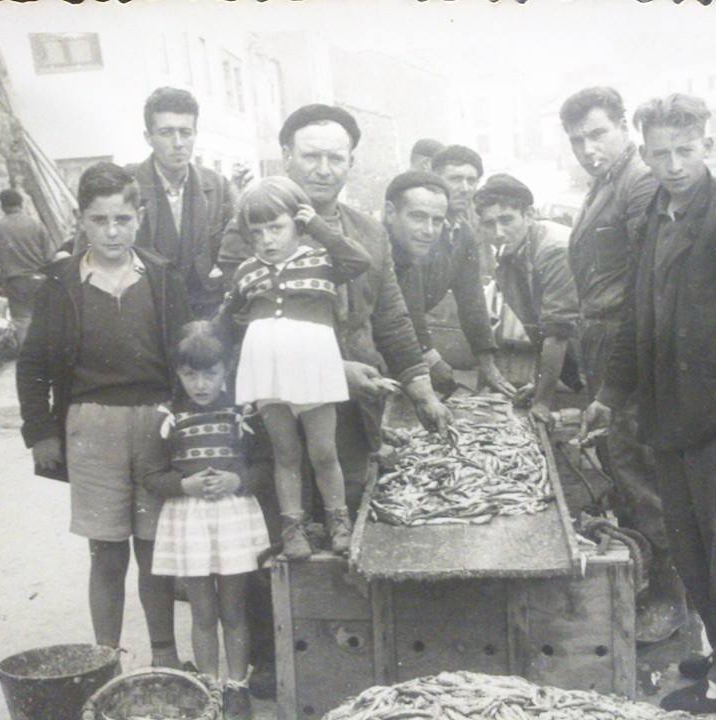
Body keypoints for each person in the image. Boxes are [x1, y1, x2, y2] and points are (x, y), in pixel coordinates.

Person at [218, 104, 451, 699]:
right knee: (281, 528)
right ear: (286, 157)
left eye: (335, 157)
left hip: (353, 412)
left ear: (351, 162)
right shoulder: (253, 224)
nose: (323, 168)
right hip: (279, 398)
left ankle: (357, 669)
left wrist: (421, 388)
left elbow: (392, 317)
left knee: (350, 522)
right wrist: (332, 365)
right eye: (310, 156)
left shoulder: (366, 233)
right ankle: (276, 663)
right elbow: (241, 323)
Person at [581, 94, 716, 713]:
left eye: (685, 151)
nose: (673, 165)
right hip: (667, 412)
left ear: (707, 146)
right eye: (661, 153)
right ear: (644, 152)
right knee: (690, 549)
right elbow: (637, 319)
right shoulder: (654, 215)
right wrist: (609, 395)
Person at [16, 162, 191, 667]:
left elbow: (186, 355)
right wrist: (41, 432)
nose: (112, 231)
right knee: (107, 551)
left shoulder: (161, 276)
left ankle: (164, 658)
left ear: (140, 217)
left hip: (156, 425)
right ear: (81, 220)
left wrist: (186, 423)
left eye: (122, 219)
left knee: (154, 550)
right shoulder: (60, 282)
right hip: (90, 426)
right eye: (99, 220)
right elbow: (32, 365)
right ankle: (105, 659)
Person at [559, 86, 683, 644]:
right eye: (577, 140)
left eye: (597, 134)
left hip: (624, 341)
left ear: (624, 129)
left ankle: (670, 598)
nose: (588, 149)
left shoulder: (639, 183)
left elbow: (648, 278)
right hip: (601, 337)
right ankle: (648, 577)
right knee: (621, 464)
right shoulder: (604, 184)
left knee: (639, 470)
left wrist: (624, 369)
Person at [221, 177, 372, 560]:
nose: (267, 239)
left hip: (313, 366)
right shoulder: (246, 271)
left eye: (276, 227)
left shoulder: (321, 261)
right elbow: (225, 318)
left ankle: (338, 521)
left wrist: (318, 226)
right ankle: (293, 528)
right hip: (267, 371)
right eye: (257, 232)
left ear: (297, 222)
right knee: (285, 453)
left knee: (323, 451)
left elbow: (360, 261)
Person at [142, 321, 269, 720]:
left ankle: (237, 686)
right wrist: (185, 485)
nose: (200, 384)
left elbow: (265, 465)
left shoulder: (241, 412)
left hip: (232, 516)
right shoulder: (168, 417)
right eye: (190, 374)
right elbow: (150, 476)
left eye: (210, 374)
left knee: (233, 609)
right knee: (202, 613)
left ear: (226, 369)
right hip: (189, 519)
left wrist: (237, 480)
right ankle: (210, 688)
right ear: (179, 373)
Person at [384, 170, 515, 398]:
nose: (464, 188)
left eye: (471, 180)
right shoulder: (388, 244)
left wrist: (487, 363)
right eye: (455, 178)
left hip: (400, 340)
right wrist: (428, 359)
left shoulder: (461, 233)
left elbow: (472, 300)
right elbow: (406, 310)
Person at [472, 173, 581, 425]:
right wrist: (538, 384)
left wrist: (542, 402)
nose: (498, 232)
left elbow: (557, 332)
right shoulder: (511, 253)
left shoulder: (554, 250)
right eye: (489, 224)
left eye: (506, 220)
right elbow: (537, 329)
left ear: (529, 215)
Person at [131, 87, 238, 319]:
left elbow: (236, 252)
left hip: (206, 309)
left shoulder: (218, 186)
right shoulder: (128, 184)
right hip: (147, 310)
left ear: (195, 134)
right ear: (148, 137)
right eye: (166, 133)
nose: (178, 143)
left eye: (185, 132)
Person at [0, 188, 57, 345]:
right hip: (40, 279)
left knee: (22, 321)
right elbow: (50, 257)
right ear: (21, 204)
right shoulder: (37, 225)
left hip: (16, 283)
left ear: (2, 206)